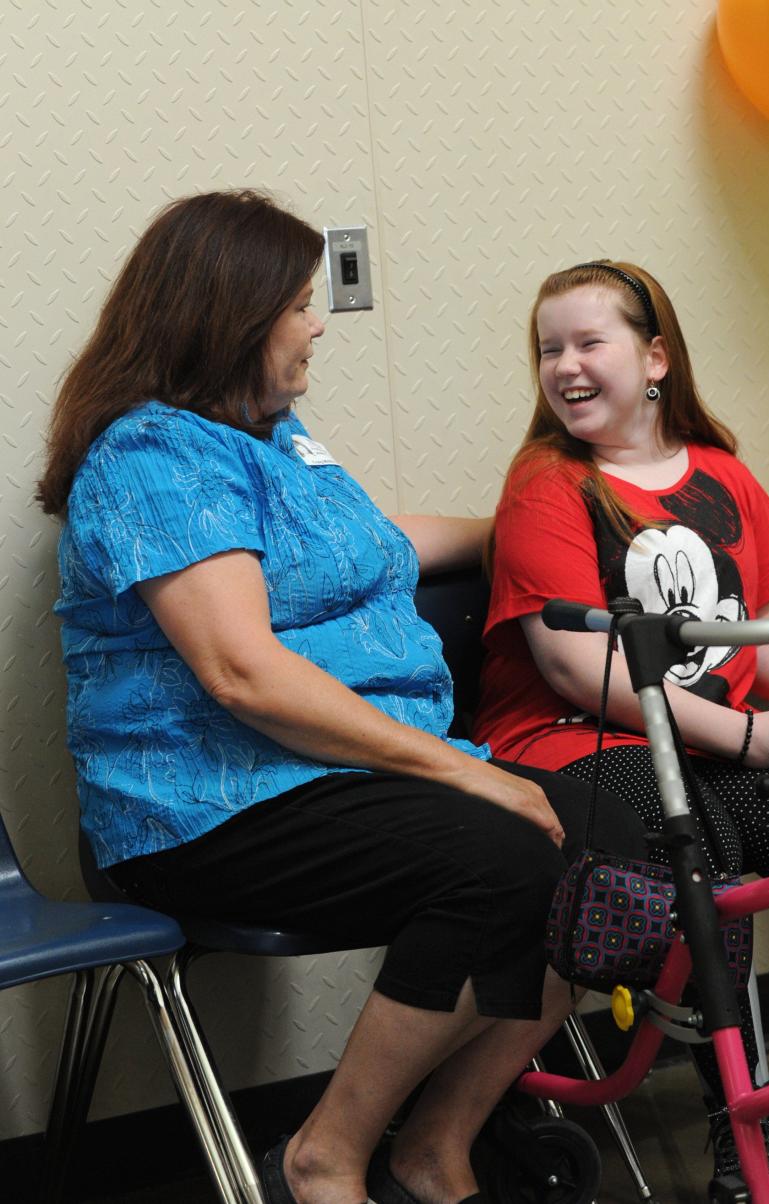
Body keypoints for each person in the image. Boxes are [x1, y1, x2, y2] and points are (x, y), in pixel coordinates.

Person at [36, 198, 646, 1204]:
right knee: (504, 862)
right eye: (300, 304)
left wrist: (536, 529)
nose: (318, 325)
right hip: (209, 804)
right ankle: (326, 1155)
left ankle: (436, 1145)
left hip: (339, 775)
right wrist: (464, 770)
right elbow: (244, 673)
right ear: (233, 314)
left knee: (619, 845)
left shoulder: (278, 437)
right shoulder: (150, 457)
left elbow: (371, 547)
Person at [474, 259, 769, 1201]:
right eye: (548, 350)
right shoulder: (548, 484)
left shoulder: (723, 473)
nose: (565, 366)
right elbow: (579, 667)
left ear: (655, 357)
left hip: (701, 740)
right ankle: (743, 1130)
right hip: (583, 742)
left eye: (588, 343)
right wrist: (745, 741)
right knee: (699, 842)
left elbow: (764, 632)